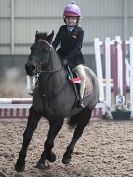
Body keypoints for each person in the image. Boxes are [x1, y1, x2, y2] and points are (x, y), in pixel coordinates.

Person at [52, 1, 86, 108]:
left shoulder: (80, 31)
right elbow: (56, 42)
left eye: (73, 18)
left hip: (75, 58)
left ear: (77, 20)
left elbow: (77, 48)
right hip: (61, 55)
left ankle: (80, 99)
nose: (70, 20)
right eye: (68, 18)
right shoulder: (62, 28)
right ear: (65, 19)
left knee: (82, 77)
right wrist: (51, 50)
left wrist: (68, 59)